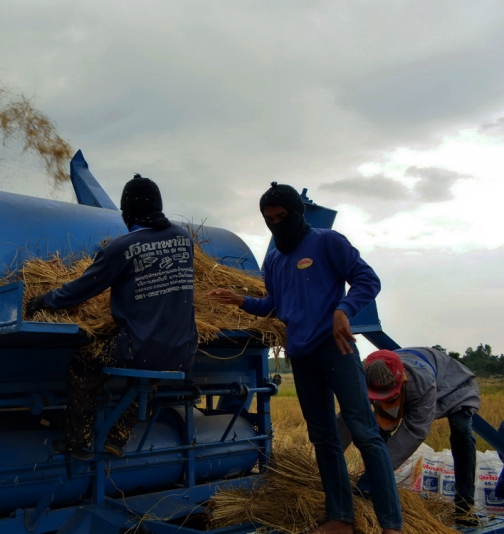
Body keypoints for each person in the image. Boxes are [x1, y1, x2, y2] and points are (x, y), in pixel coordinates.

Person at [205, 182, 401, 534]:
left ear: (298, 214)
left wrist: (344, 309)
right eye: (269, 219)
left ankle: (391, 525)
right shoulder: (275, 259)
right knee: (323, 438)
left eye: (282, 217)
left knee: (365, 433)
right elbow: (273, 306)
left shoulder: (328, 242)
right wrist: (240, 300)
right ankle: (340, 518)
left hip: (335, 348)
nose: (276, 224)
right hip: (301, 354)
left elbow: (367, 280)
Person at [27, 174, 198, 460]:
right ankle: (117, 438)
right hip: (182, 351)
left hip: (139, 348)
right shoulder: (184, 238)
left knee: (84, 362)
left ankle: (78, 441)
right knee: (152, 369)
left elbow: (81, 289)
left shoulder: (120, 248)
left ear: (127, 212)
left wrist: (45, 299)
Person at [338, 347, 480, 525]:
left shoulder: (421, 384)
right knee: (378, 433)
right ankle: (375, 496)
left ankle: (464, 507)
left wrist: (375, 474)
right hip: (398, 384)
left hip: (452, 385)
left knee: (461, 431)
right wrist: (330, 458)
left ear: (400, 379)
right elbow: (349, 417)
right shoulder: (362, 375)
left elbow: (413, 432)